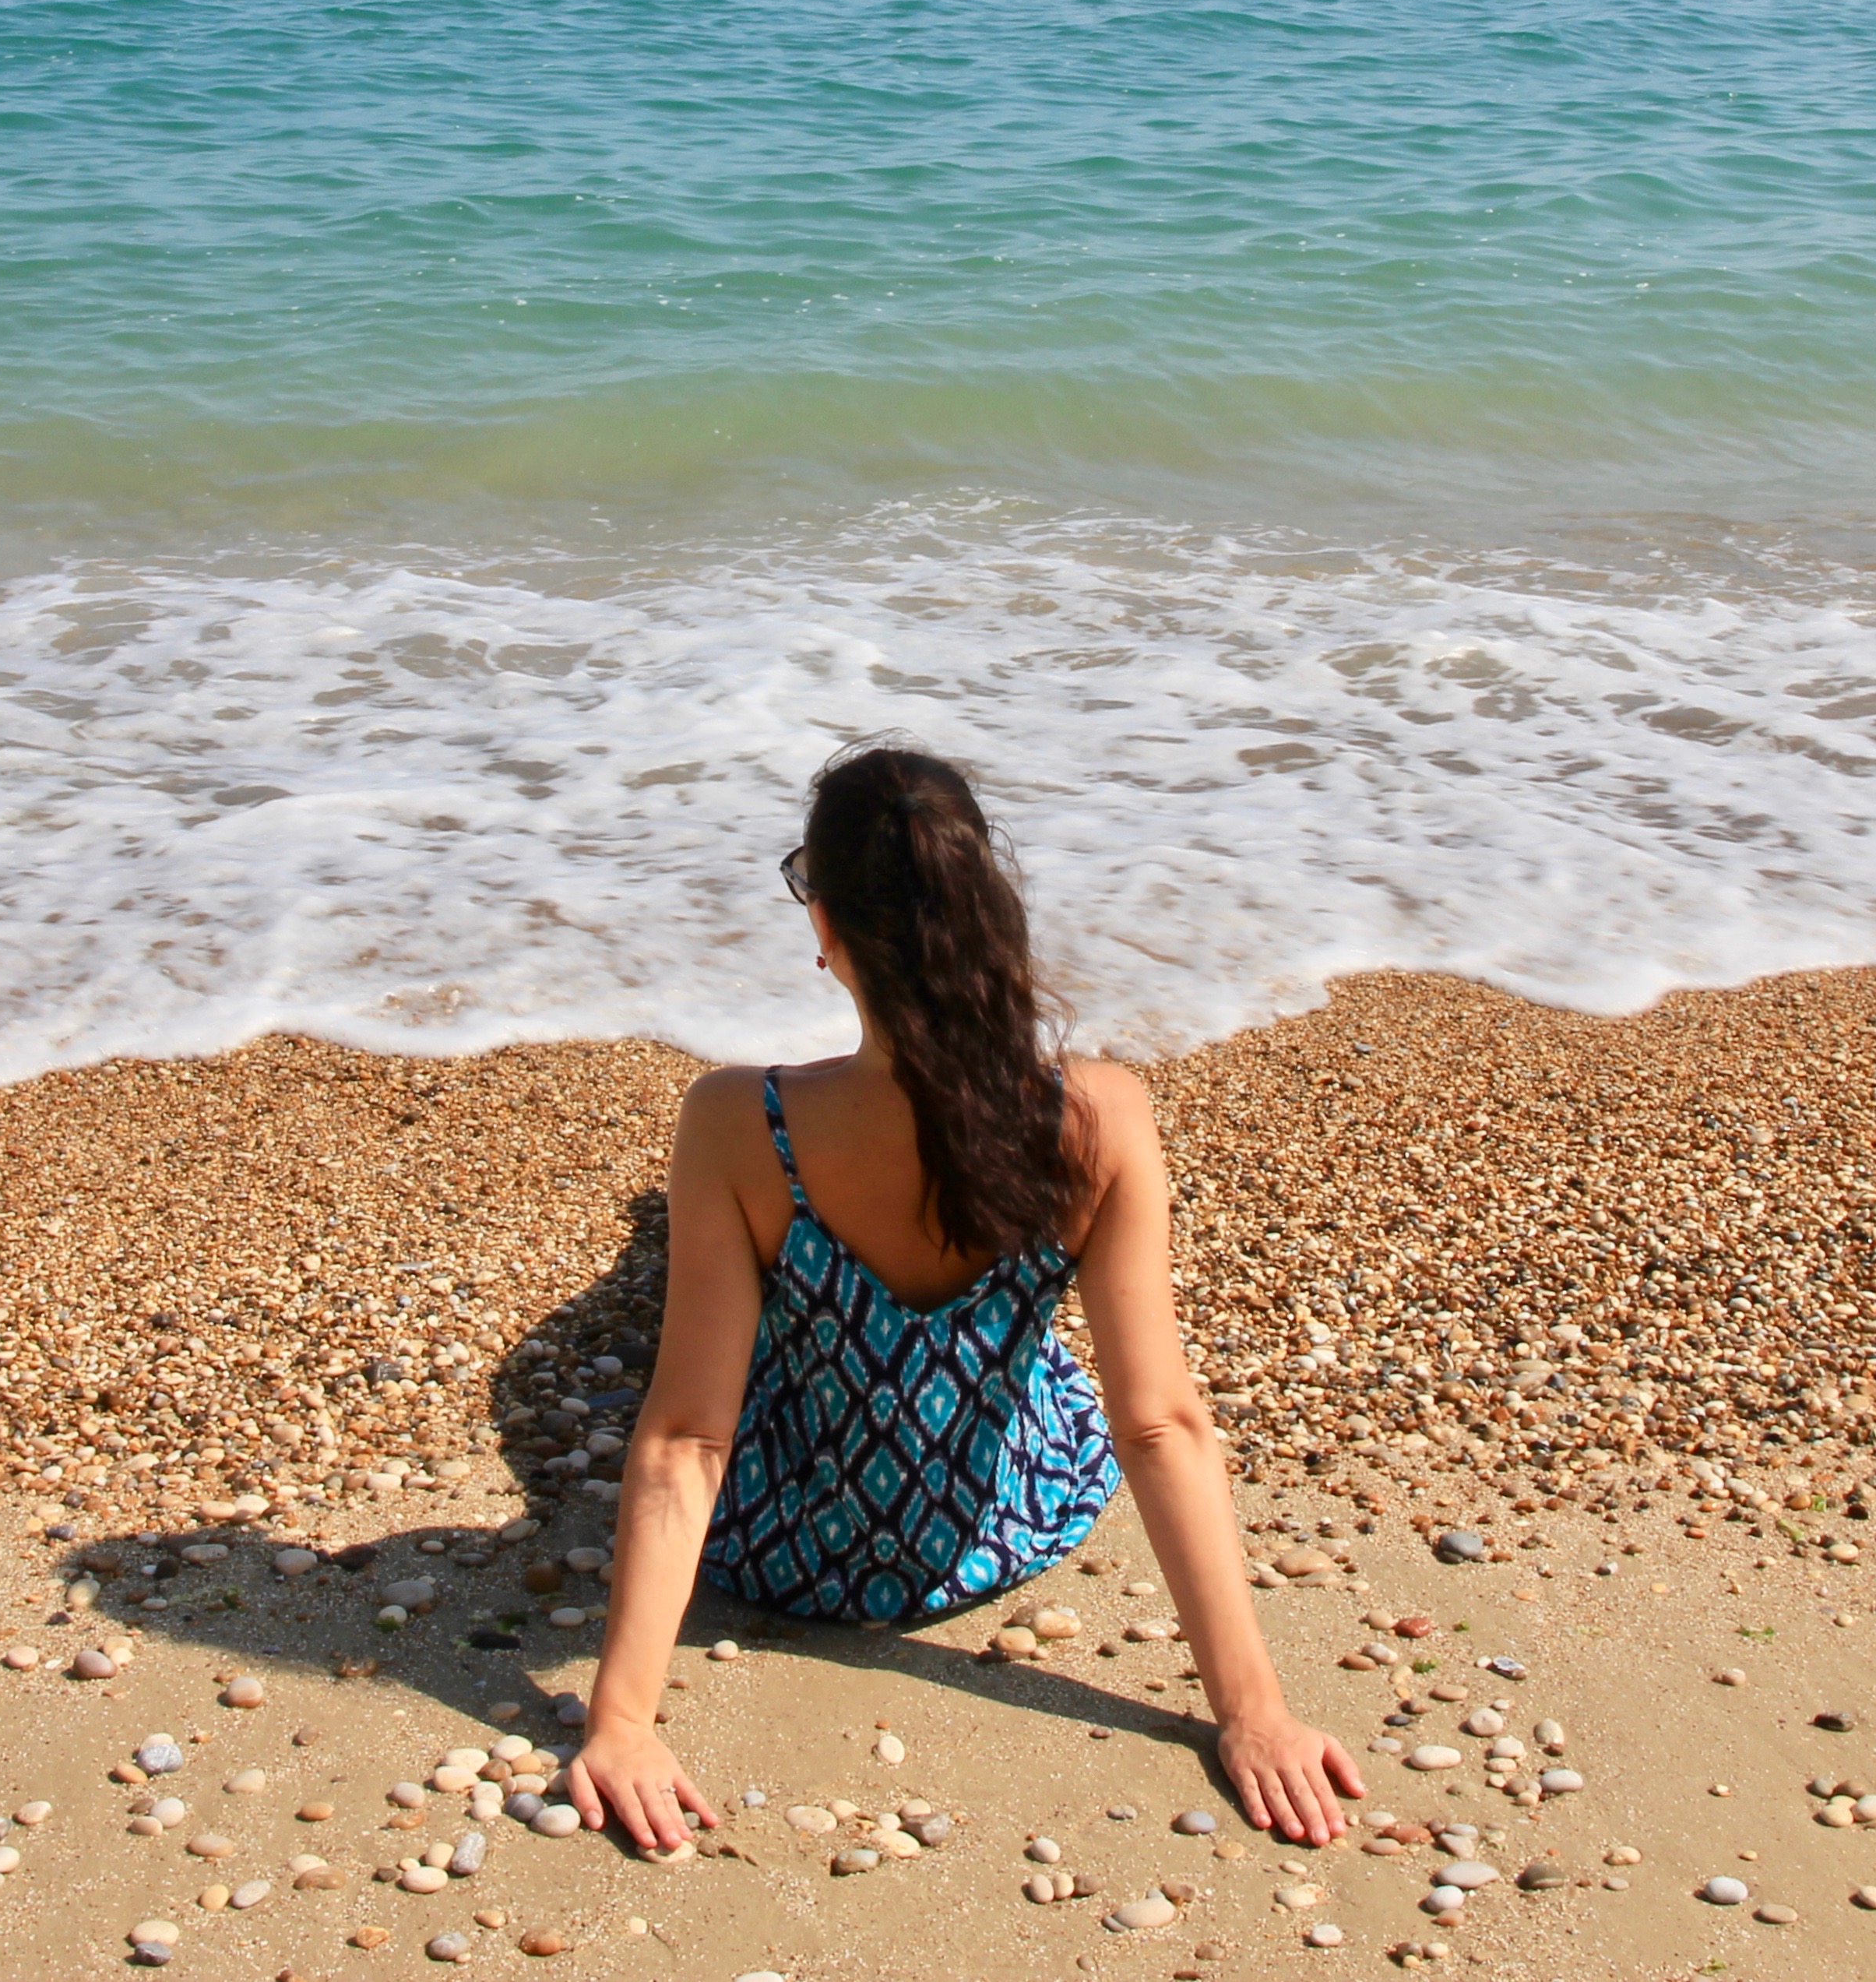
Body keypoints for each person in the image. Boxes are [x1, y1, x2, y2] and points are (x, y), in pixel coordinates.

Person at [562, 743, 1363, 1854]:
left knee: (690, 1318)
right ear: (987, 904)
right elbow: (1158, 1420)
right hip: (1005, 1522)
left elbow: (692, 1433)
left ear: (827, 928)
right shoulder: (1100, 1118)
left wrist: (623, 1719)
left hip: (787, 1545)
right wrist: (1254, 1713)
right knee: (1059, 1365)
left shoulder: (739, 1122)